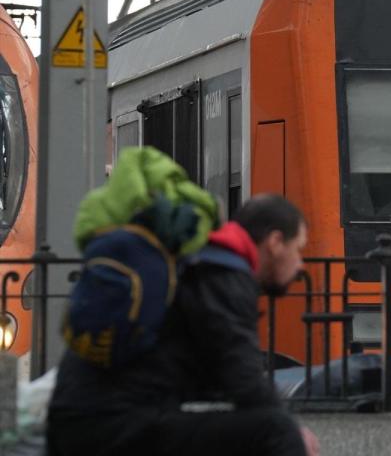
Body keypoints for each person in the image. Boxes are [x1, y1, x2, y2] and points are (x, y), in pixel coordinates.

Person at [48, 194, 320, 456]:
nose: (300, 265)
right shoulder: (224, 276)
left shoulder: (201, 263)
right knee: (277, 431)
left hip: (79, 421)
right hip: (113, 427)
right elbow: (245, 382)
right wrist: (295, 431)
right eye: (298, 250)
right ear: (275, 242)